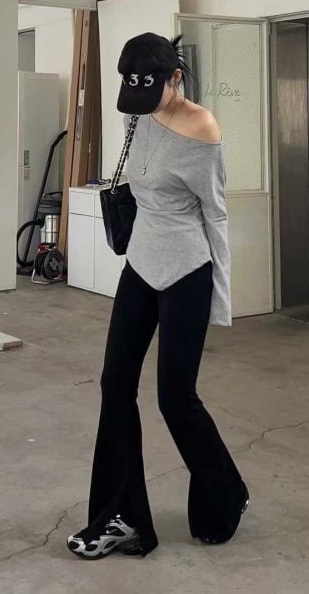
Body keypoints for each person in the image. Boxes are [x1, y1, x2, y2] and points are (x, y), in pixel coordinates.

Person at [67, 32, 249, 560]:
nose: (140, 101)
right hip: (140, 266)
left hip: (187, 270)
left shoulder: (203, 128)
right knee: (115, 384)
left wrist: (220, 298)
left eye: (151, 88)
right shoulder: (138, 113)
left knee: (175, 397)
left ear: (176, 77)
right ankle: (121, 517)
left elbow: (215, 214)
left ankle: (225, 492)